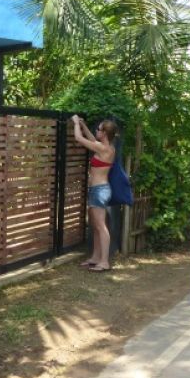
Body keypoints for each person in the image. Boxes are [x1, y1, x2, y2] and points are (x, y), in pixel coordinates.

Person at [72, 115, 117, 273]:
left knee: (100, 226)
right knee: (96, 226)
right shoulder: (105, 146)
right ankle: (96, 257)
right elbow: (92, 139)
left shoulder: (104, 149)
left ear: (104, 133)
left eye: (98, 129)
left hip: (100, 191)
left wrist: (76, 123)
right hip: (96, 190)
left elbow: (79, 138)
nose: (96, 131)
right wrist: (83, 125)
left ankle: (104, 262)